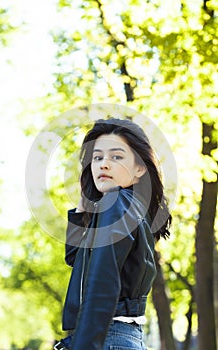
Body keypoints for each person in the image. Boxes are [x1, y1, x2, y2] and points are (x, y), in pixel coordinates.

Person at [54, 118, 171, 350]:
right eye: (97, 158)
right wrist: (84, 201)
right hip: (119, 338)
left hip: (107, 337)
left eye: (116, 157)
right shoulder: (126, 206)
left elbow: (101, 284)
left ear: (140, 168)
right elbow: (76, 259)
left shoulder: (118, 201)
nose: (103, 165)